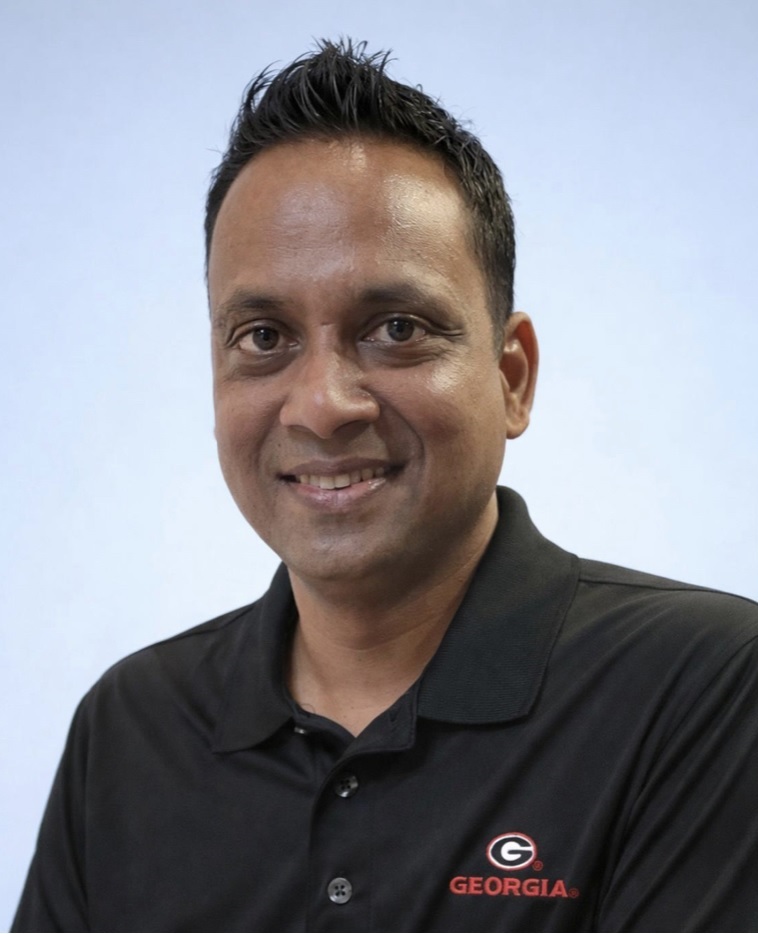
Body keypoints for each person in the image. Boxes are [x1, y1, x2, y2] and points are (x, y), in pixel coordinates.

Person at [13, 40, 758, 933]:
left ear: (512, 377)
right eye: (263, 337)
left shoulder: (705, 687)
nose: (322, 406)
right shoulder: (130, 729)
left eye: (396, 328)